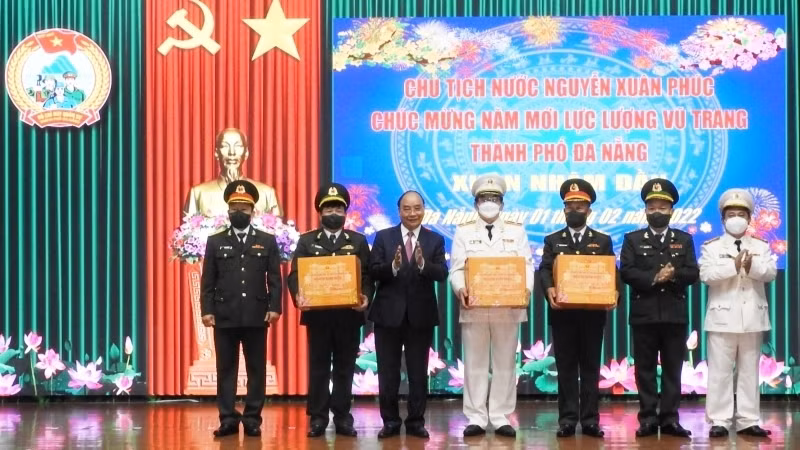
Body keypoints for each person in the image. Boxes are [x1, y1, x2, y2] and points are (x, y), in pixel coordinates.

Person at [449, 174, 533, 439]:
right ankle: (475, 417)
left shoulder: (516, 231)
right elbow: (456, 269)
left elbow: (527, 265)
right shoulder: (463, 231)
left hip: (508, 308)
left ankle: (500, 416)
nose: (489, 202)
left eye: (494, 198)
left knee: (505, 363)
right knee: (474, 363)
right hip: (474, 307)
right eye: (484, 198)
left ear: (502, 203)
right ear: (475, 203)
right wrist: (460, 288)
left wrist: (526, 289)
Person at [287, 183, 372, 438]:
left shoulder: (357, 241)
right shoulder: (307, 241)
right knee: (319, 367)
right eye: (328, 209)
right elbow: (295, 275)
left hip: (348, 316)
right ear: (320, 213)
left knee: (345, 367)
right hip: (318, 317)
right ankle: (318, 417)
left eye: (338, 209)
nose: (333, 213)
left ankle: (343, 417)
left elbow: (367, 275)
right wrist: (298, 295)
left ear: (345, 213)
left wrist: (366, 296)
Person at [200, 180, 283, 438]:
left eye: (244, 208)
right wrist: (207, 310)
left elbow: (275, 279)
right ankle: (227, 418)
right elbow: (208, 280)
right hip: (224, 315)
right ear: (228, 210)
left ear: (252, 211)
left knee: (257, 369)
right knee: (226, 369)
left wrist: (275, 307)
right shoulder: (215, 241)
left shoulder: (266, 241)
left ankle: (252, 419)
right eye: (234, 208)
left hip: (257, 315)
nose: (239, 212)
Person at [620, 178, 699, 438]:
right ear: (645, 210)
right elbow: (627, 272)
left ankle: (670, 419)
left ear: (671, 211)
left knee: (672, 370)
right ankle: (647, 419)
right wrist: (654, 277)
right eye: (652, 207)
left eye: (662, 208)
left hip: (674, 315)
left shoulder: (683, 239)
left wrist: (673, 275)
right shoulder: (632, 239)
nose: (657, 212)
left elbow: (692, 272)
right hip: (644, 315)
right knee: (644, 371)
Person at [538, 179, 616, 439]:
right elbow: (544, 269)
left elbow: (611, 271)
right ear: (564, 210)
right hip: (563, 315)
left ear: (589, 210)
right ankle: (568, 420)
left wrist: (614, 290)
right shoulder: (552, 240)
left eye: (580, 207)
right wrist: (549, 288)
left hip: (593, 315)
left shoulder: (602, 241)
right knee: (567, 369)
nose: (574, 211)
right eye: (570, 206)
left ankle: (591, 420)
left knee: (591, 367)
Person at [368, 191, 448, 439]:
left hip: (420, 316)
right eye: (407, 208)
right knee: (388, 373)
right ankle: (390, 422)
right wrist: (392, 266)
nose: (412, 213)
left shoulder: (435, 239)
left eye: (417, 208)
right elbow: (373, 271)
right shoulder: (384, 237)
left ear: (423, 209)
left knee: (417, 373)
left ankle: (416, 422)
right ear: (399, 210)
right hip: (387, 315)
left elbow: (442, 274)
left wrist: (423, 265)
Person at [699, 189, 776, 439]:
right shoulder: (711, 247)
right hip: (721, 319)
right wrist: (732, 266)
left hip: (753, 318)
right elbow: (707, 276)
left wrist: (751, 265)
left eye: (741, 214)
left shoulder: (761, 246)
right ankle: (719, 420)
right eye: (731, 214)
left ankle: (748, 420)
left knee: (749, 372)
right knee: (720, 373)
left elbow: (770, 273)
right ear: (723, 219)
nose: (736, 219)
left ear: (749, 218)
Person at [184, 128, 282, 217]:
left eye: (238, 146)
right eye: (225, 146)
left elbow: (277, 228)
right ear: (216, 153)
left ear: (246, 153)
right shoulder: (198, 193)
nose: (232, 152)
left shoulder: (267, 193)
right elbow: (188, 229)